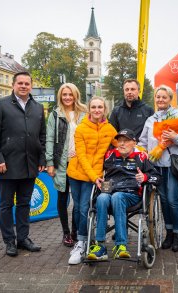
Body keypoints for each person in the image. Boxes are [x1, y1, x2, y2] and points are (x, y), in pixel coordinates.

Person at [0, 71, 46, 257]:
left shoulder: (37, 107)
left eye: (27, 83)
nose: (23, 86)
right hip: (7, 164)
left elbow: (41, 136)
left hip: (30, 164)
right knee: (5, 205)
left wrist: (42, 159)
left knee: (24, 204)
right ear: (13, 85)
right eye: (20, 83)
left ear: (31, 85)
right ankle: (9, 241)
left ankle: (23, 238)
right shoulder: (0, 104)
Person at [87, 129, 161, 260]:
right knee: (102, 197)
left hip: (131, 195)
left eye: (126, 141)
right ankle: (101, 246)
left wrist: (144, 177)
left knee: (118, 196)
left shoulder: (142, 157)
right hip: (109, 192)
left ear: (134, 143)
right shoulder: (109, 155)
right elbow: (95, 168)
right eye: (119, 141)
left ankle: (121, 245)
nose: (122, 144)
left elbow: (157, 177)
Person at [139, 85, 178, 252]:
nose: (160, 100)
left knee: (173, 200)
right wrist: (140, 152)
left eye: (164, 97)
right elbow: (143, 142)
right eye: (158, 97)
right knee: (163, 200)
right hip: (157, 166)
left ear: (170, 99)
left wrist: (174, 137)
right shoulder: (151, 120)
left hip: (173, 165)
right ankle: (169, 232)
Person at [66, 96, 117, 265]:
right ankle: (82, 242)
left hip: (93, 176)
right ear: (89, 109)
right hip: (77, 173)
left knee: (84, 208)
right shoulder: (81, 129)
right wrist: (94, 176)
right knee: (79, 207)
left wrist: (140, 150)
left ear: (104, 110)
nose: (97, 110)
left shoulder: (110, 129)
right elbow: (80, 156)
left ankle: (83, 241)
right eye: (94, 107)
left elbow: (122, 144)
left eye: (100, 107)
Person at [45, 83, 87, 247]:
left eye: (70, 94)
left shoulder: (84, 113)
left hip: (79, 163)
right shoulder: (55, 115)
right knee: (62, 198)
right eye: (64, 95)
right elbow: (49, 139)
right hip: (61, 163)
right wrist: (50, 163)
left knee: (78, 200)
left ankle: (76, 231)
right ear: (60, 96)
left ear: (75, 95)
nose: (68, 97)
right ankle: (66, 233)